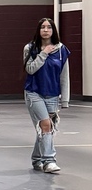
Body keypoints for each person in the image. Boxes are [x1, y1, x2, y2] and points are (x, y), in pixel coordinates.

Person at [23, 17, 70, 174]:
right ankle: (49, 160)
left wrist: (65, 100)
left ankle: (37, 159)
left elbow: (64, 76)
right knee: (45, 125)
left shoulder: (62, 50)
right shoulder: (30, 48)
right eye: (42, 27)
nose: (45, 30)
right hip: (33, 92)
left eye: (48, 27)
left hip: (52, 94)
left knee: (46, 128)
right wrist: (43, 54)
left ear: (53, 30)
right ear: (38, 30)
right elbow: (30, 69)